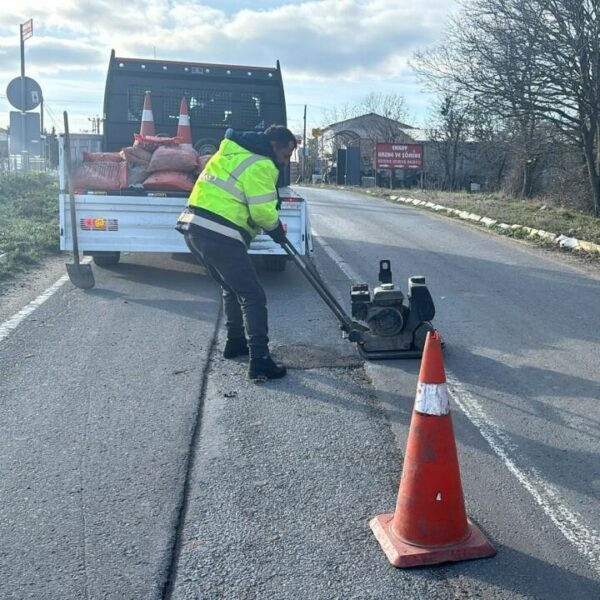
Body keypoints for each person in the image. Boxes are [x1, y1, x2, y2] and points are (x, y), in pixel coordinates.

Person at [176, 125, 297, 380]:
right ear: (274, 146)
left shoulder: (230, 153)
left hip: (194, 230)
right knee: (253, 296)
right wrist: (276, 230)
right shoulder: (261, 164)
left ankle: (235, 343)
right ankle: (260, 361)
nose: (285, 163)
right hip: (219, 234)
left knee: (231, 287)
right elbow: (262, 212)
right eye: (286, 156)